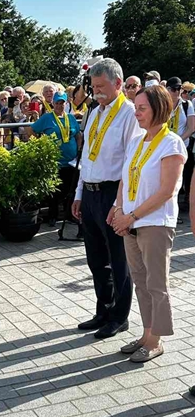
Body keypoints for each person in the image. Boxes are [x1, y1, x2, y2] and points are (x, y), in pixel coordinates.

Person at [112, 85, 186, 362]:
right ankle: (146, 333)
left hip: (154, 223)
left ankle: (156, 341)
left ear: (159, 109)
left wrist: (131, 216)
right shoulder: (137, 141)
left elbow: (167, 190)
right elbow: (124, 179)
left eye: (142, 108)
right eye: (136, 107)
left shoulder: (172, 143)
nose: (137, 112)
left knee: (156, 283)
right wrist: (118, 208)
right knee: (140, 282)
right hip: (131, 221)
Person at [72, 58, 144, 339]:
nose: (96, 92)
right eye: (93, 87)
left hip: (113, 194)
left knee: (119, 260)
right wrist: (79, 193)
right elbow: (87, 157)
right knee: (96, 259)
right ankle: (103, 309)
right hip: (90, 194)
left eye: (101, 87)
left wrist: (120, 204)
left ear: (117, 83)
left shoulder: (129, 114)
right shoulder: (94, 112)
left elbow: (130, 163)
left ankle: (119, 316)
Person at [27, 91, 82, 225]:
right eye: (57, 103)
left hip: (71, 162)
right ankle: (52, 216)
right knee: (54, 192)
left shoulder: (71, 118)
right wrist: (39, 146)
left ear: (66, 104)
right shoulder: (47, 118)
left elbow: (78, 135)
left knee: (71, 190)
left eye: (62, 103)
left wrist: (79, 150)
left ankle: (70, 215)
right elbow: (30, 130)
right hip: (54, 161)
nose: (59, 105)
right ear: (53, 104)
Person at [166, 77, 195, 144]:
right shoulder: (161, 104)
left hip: (182, 146)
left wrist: (178, 141)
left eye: (179, 89)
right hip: (164, 146)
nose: (177, 91)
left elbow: (191, 128)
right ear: (167, 90)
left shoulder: (187, 104)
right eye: (174, 89)